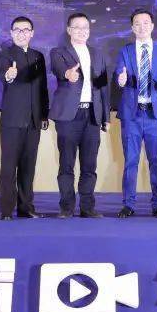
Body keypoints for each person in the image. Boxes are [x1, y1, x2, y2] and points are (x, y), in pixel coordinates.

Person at [114, 9, 157, 218]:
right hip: (131, 115)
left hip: (155, 115)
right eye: (137, 23)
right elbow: (119, 72)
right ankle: (128, 204)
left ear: (152, 26)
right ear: (132, 28)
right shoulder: (125, 51)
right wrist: (121, 79)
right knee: (130, 161)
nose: (142, 27)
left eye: (146, 22)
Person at [49, 13, 110, 218]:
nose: (82, 31)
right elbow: (59, 69)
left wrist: (106, 117)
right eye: (77, 27)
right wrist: (68, 74)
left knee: (89, 165)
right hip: (69, 116)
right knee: (66, 164)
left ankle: (87, 207)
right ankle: (66, 207)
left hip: (92, 115)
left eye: (85, 27)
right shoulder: (58, 52)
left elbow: (102, 86)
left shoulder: (98, 54)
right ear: (69, 30)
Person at [0, 16, 49, 220]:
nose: (22, 33)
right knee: (9, 167)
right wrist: (9, 75)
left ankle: (26, 207)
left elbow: (43, 88)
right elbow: (3, 74)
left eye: (26, 30)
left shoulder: (38, 57)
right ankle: (6, 210)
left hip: (34, 120)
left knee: (28, 167)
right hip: (12, 121)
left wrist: (43, 114)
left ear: (32, 33)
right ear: (11, 33)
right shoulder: (5, 54)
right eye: (17, 30)